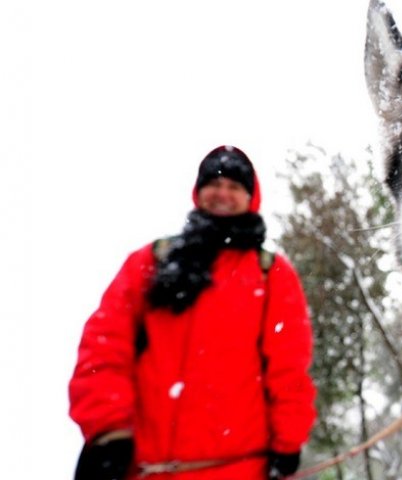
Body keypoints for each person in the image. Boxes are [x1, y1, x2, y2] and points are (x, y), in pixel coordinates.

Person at [69, 145, 316, 479]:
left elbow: (289, 371)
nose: (222, 193)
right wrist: (108, 431)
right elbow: (104, 346)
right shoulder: (151, 261)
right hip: (142, 468)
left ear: (250, 197)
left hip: (238, 469)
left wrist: (287, 445)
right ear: (198, 193)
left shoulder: (272, 274)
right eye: (213, 184)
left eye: (234, 186)